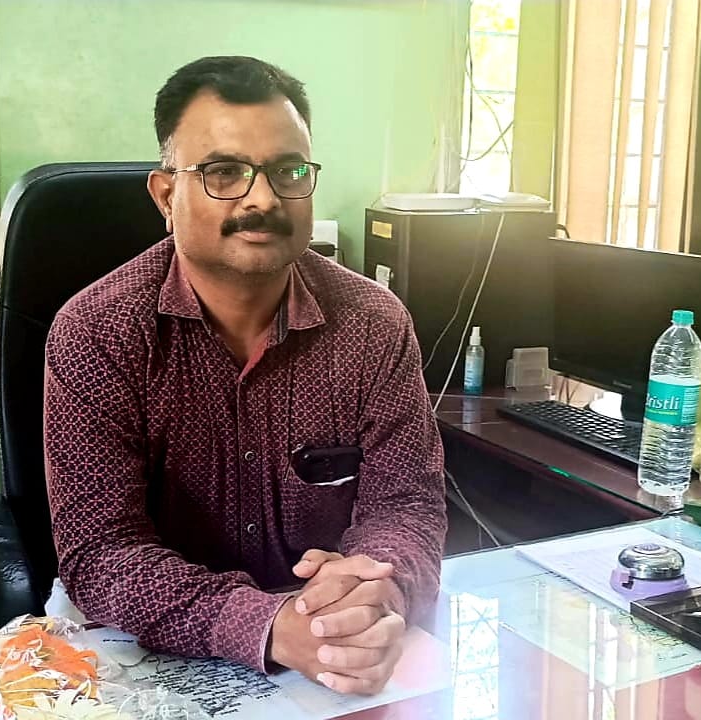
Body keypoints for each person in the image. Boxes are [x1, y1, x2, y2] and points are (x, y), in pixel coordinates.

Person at [43, 55, 446, 696]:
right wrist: (266, 624)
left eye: (289, 171)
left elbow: (406, 506)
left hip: (332, 650)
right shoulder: (98, 331)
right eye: (224, 173)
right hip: (143, 658)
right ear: (166, 196)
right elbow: (102, 551)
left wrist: (376, 586)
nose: (263, 199)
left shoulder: (374, 324)